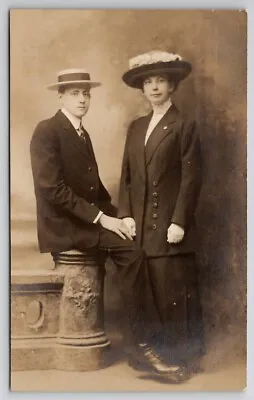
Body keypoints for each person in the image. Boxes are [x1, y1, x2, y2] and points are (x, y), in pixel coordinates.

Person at [29, 68, 188, 382]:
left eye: (86, 93)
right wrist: (104, 219)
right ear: (60, 96)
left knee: (133, 240)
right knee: (132, 254)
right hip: (64, 226)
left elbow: (95, 190)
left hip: (85, 221)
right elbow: (52, 190)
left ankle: (145, 344)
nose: (82, 99)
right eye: (75, 93)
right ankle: (143, 347)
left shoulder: (81, 133)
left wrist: (123, 217)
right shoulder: (47, 130)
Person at [118, 51, 205, 372]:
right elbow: (126, 175)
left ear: (173, 85)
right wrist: (125, 213)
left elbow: (192, 177)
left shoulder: (184, 125)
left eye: (161, 81)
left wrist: (179, 220)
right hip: (140, 227)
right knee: (147, 292)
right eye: (148, 82)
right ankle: (151, 359)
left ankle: (178, 360)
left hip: (168, 225)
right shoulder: (136, 127)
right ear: (142, 88)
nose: (154, 87)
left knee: (172, 293)